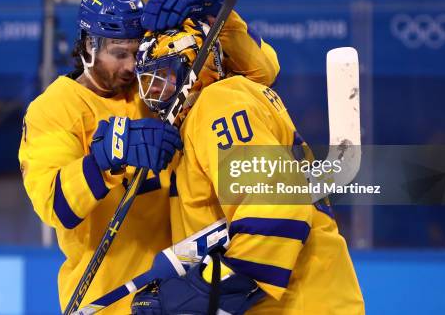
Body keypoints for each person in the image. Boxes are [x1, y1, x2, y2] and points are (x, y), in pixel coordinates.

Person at [19, 0, 280, 313]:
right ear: (88, 46)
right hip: (109, 298)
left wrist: (217, 10)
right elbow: (55, 205)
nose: (131, 67)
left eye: (136, 52)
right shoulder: (54, 108)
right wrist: (105, 161)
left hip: (182, 297)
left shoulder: (156, 85)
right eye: (118, 54)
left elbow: (262, 73)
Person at [131, 19, 365, 314]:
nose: (154, 91)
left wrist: (202, 291)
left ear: (197, 70)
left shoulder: (219, 104)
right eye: (149, 81)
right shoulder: (215, 108)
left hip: (300, 303)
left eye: (164, 76)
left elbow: (276, 210)